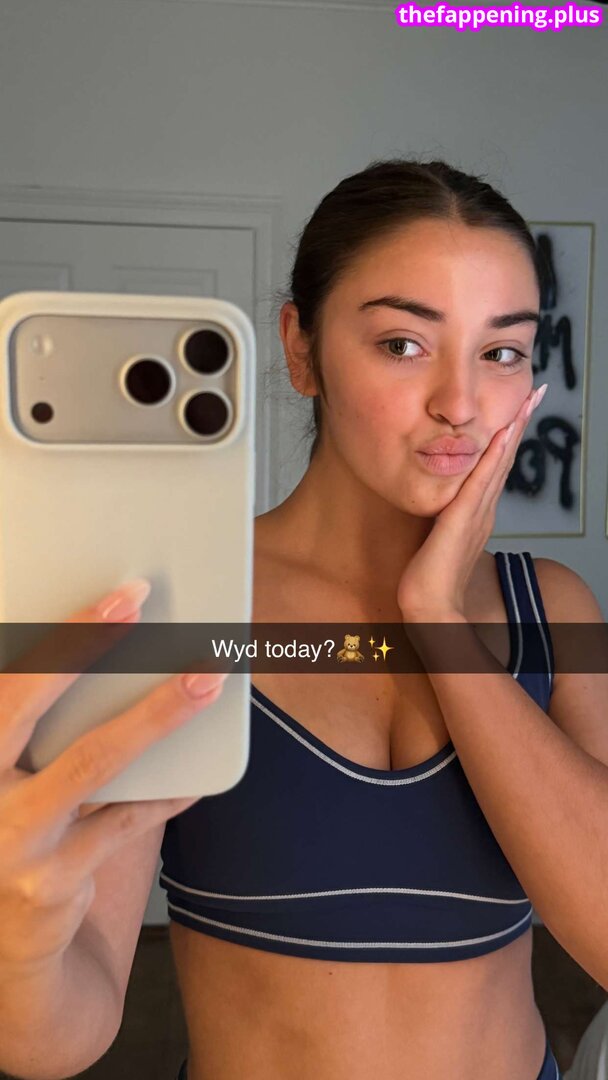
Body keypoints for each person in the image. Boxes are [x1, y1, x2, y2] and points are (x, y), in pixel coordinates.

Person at [1, 158, 606, 1080]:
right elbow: (59, 1040)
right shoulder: (185, 610)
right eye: (403, 343)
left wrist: (436, 618)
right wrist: (23, 939)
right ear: (301, 347)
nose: (460, 404)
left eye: (502, 352)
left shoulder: (551, 611)